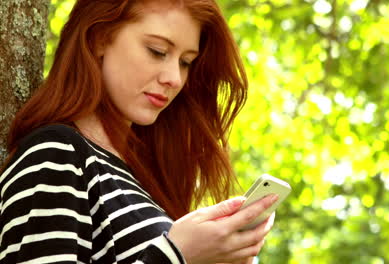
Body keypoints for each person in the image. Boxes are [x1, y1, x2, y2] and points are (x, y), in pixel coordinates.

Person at [0, 0, 278, 263]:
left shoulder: (142, 176)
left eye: (186, 62)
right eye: (157, 51)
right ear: (99, 37)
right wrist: (176, 254)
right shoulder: (57, 154)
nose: (174, 78)